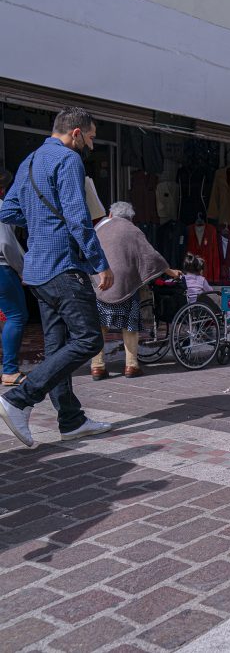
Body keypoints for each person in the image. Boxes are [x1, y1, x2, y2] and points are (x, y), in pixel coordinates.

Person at [0, 107, 113, 447]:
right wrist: (99, 263)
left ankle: (71, 419)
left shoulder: (30, 161)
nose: (91, 147)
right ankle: (20, 398)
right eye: (91, 139)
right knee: (89, 339)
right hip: (63, 265)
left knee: (57, 347)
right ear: (76, 133)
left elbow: (7, 210)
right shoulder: (68, 160)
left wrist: (37, 218)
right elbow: (78, 218)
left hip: (36, 270)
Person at [91, 202, 182, 380]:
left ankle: (97, 367)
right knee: (130, 325)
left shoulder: (99, 228)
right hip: (126, 283)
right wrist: (171, 271)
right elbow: (151, 255)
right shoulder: (133, 230)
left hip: (101, 283)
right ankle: (131, 366)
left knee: (100, 325)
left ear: (111, 214)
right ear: (130, 217)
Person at [0, 168, 29, 386]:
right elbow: (6, 244)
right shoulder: (2, 208)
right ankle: (9, 370)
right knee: (16, 316)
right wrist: (22, 269)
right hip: (2, 269)